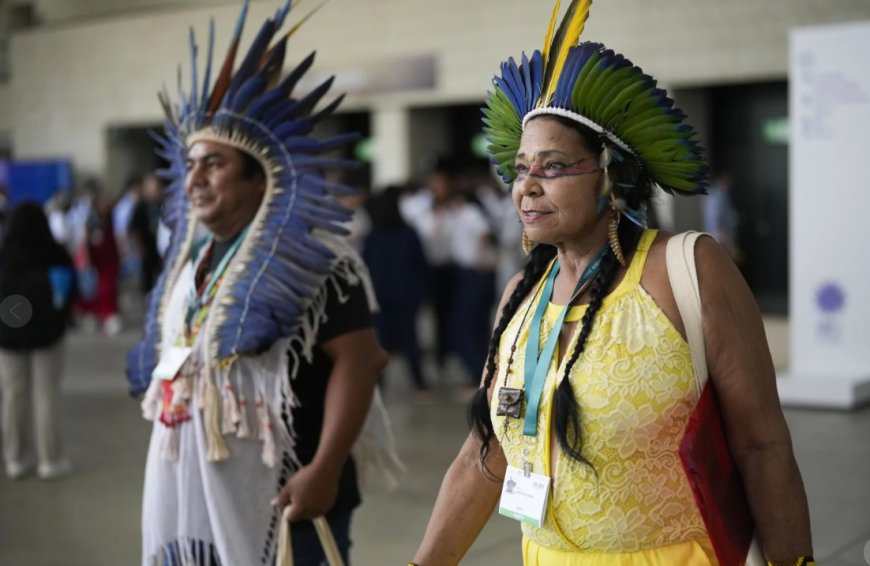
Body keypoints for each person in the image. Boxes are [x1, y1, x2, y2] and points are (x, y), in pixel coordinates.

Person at [412, 1, 814, 565]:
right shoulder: (519, 299)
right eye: (521, 168)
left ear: (611, 177)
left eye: (552, 167)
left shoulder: (689, 270)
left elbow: (762, 444)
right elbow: (485, 453)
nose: (526, 186)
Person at [126, 2, 399, 564]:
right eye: (191, 164)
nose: (194, 178)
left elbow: (361, 360)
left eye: (215, 165)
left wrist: (323, 471)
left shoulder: (321, 259)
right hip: (198, 491)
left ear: (261, 179)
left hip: (293, 494)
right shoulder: (191, 259)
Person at [0, 202, 76, 480]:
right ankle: (50, 460)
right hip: (48, 335)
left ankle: (16, 459)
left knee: (13, 397)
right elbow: (70, 293)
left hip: (8, 337)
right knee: (46, 397)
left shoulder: (5, 255)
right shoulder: (54, 254)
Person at [362, 184, 432, 403]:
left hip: (380, 298)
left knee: (379, 342)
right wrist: (421, 293)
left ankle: (378, 385)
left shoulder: (374, 235)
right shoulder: (408, 233)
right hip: (406, 296)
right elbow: (420, 265)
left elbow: (365, 266)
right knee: (411, 339)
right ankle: (419, 384)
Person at [703, 169, 742, 263]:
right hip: (722, 240)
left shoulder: (721, 194)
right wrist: (730, 245)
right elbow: (716, 222)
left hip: (723, 239)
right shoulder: (717, 196)